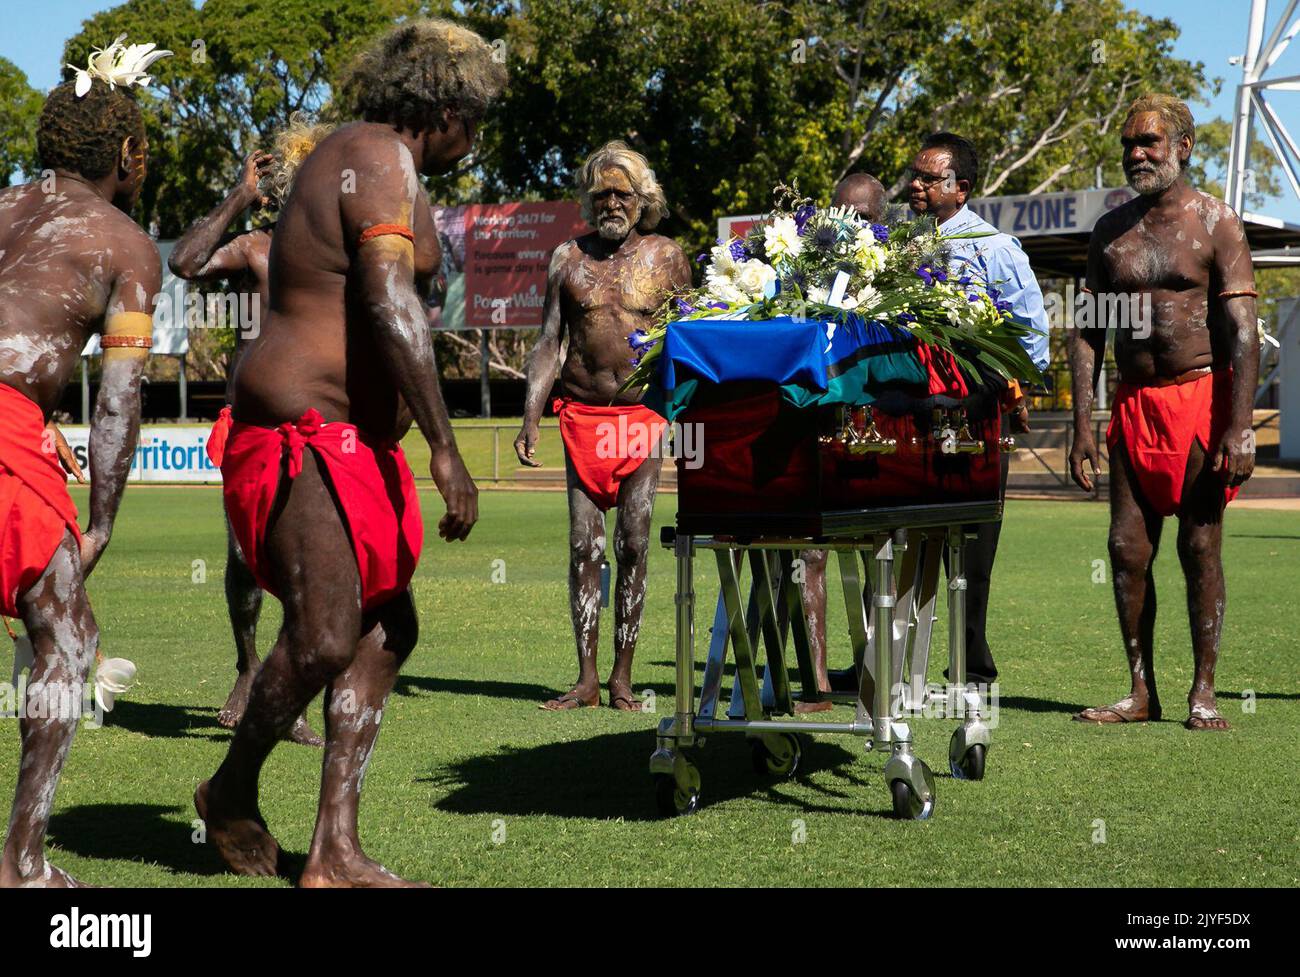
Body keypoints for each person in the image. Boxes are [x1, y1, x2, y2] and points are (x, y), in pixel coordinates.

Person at [194, 19, 503, 886]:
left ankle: (334, 850)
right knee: (328, 636)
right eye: (471, 123)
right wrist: (446, 445)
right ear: (442, 109)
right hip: (301, 434)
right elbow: (384, 299)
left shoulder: (385, 166)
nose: (473, 143)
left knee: (383, 627)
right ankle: (229, 788)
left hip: (353, 440)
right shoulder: (376, 151)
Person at [0, 39, 167, 886]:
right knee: (68, 639)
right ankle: (22, 863)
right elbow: (119, 400)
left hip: (12, 425)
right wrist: (100, 519)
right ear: (127, 154)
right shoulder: (125, 243)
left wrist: (29, 422)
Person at [1069, 95, 1257, 731]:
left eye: (1149, 141)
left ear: (1184, 147)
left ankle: (1203, 692)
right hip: (1133, 406)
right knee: (1126, 548)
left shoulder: (1216, 222)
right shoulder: (1111, 232)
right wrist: (1081, 429)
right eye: (1129, 144)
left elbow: (1242, 330)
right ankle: (1139, 691)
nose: (1137, 154)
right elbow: (1089, 331)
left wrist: (1239, 425)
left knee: (1199, 547)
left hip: (1199, 400)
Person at [170, 118, 335, 747]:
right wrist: (240, 197)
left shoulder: (337, 257)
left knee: (303, 557)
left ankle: (281, 688)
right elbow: (185, 263)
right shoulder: (256, 249)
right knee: (245, 554)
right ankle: (247, 665)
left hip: (316, 423)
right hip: (250, 425)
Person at [515, 142, 690, 711]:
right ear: (589, 202)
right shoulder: (566, 258)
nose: (612, 202)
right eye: (601, 195)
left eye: (622, 193)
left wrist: (694, 420)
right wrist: (530, 417)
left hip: (641, 417)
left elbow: (690, 340)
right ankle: (586, 679)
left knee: (634, 543)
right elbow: (548, 343)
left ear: (643, 200)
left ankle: (622, 677)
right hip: (582, 415)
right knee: (582, 546)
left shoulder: (668, 257)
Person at [905, 131, 1050, 689]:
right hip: (912, 412)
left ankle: (971, 668)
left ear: (961, 188)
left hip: (972, 412)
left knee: (971, 546)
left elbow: (1031, 333)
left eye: (929, 178)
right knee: (908, 538)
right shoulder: (903, 245)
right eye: (914, 176)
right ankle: (895, 664)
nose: (915, 186)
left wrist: (1011, 392)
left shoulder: (995, 248)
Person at [797, 172, 887, 713]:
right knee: (809, 550)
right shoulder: (801, 272)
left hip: (876, 431)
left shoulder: (904, 275)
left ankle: (878, 679)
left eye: (864, 218)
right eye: (843, 218)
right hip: (815, 425)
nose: (853, 229)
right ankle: (818, 684)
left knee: (881, 547)